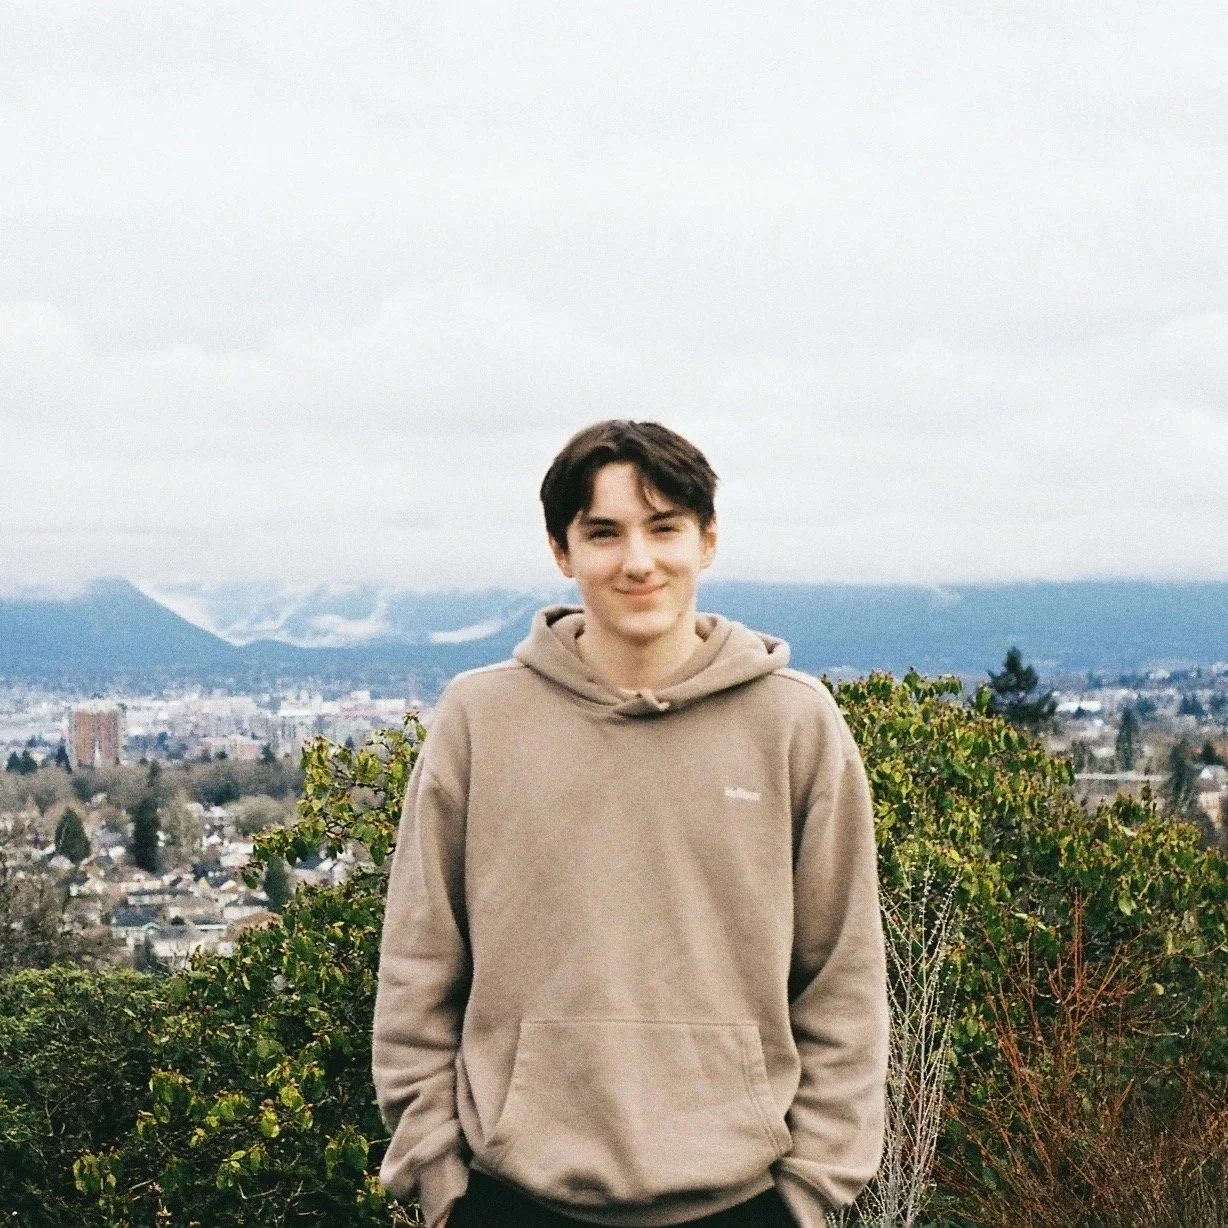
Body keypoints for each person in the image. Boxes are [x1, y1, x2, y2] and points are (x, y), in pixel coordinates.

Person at [372, 420, 888, 1228]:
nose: (637, 561)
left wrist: (813, 1192)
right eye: (604, 533)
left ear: (708, 540)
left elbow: (843, 979)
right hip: (512, 1197)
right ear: (561, 550)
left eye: (665, 528)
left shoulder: (794, 724)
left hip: (748, 1201)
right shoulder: (481, 718)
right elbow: (418, 963)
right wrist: (437, 1175)